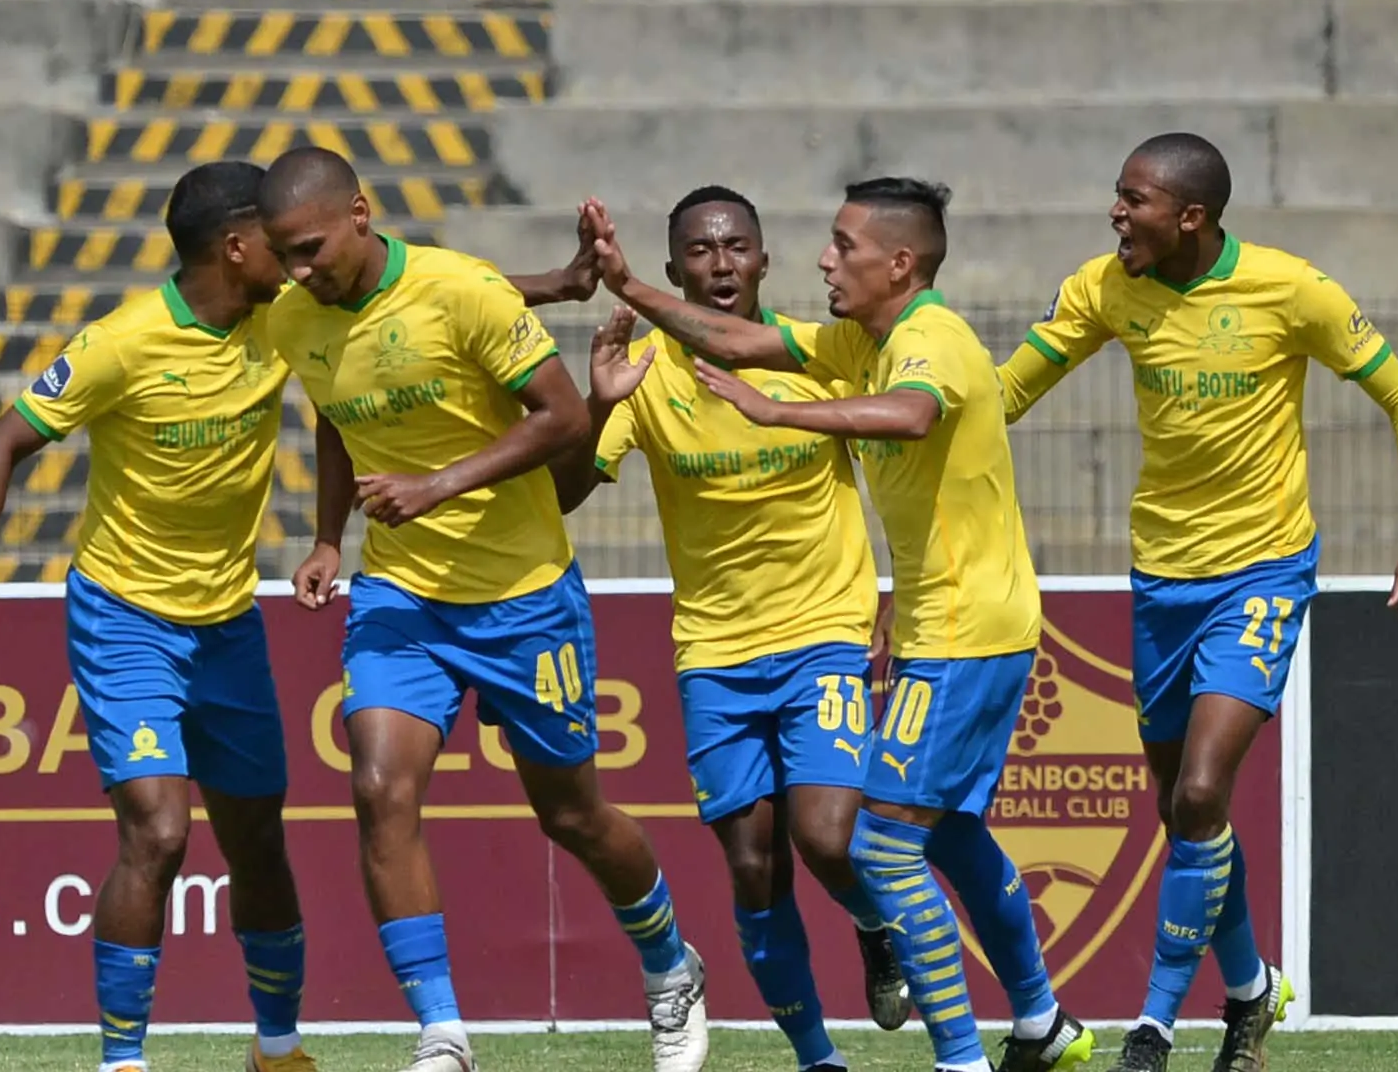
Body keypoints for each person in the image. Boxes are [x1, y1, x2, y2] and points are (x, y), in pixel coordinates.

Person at [583, 178, 1094, 1072]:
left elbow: (914, 414)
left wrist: (778, 410)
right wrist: (624, 288)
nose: (826, 259)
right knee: (937, 833)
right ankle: (1038, 1023)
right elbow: (735, 341)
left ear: (898, 263)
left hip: (961, 630)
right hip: (893, 631)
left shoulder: (929, 340)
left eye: (844, 246)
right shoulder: (857, 343)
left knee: (875, 846)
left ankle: (963, 1059)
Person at [994, 132, 1398, 1072]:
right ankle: (1250, 990)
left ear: (1191, 216)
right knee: (1184, 811)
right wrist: (902, 408)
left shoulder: (1291, 290)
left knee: (1202, 790)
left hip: (1263, 572)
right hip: (1162, 578)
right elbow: (1004, 396)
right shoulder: (1105, 288)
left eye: (1135, 200)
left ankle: (1154, 1027)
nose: (1117, 213)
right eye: (1118, 195)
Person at [256, 146, 707, 1072]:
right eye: (284, 254)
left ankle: (671, 965)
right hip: (401, 597)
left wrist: (437, 484)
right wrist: (330, 538)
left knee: (572, 816)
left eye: (310, 249)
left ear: (360, 215)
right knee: (379, 790)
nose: (297, 272)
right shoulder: (296, 318)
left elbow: (565, 419)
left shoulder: (460, 290)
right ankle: (443, 1033)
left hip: (523, 597)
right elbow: (336, 417)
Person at [0, 161, 316, 1072]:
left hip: (229, 622)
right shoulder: (121, 343)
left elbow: (407, 301)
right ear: (235, 246)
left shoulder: (289, 319)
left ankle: (279, 1049)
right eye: (278, 237)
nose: (297, 254)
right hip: (127, 618)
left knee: (257, 839)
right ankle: (122, 1060)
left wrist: (554, 285)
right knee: (159, 830)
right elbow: (2, 440)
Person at [551, 184, 912, 1069]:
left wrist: (901, 593)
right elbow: (560, 495)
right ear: (674, 270)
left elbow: (903, 475)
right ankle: (817, 1057)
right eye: (701, 251)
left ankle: (876, 925)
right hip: (715, 654)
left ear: (764, 260)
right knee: (753, 869)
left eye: (736, 247)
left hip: (824, 633)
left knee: (826, 837)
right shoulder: (648, 374)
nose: (721, 264)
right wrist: (599, 403)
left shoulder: (815, 354)